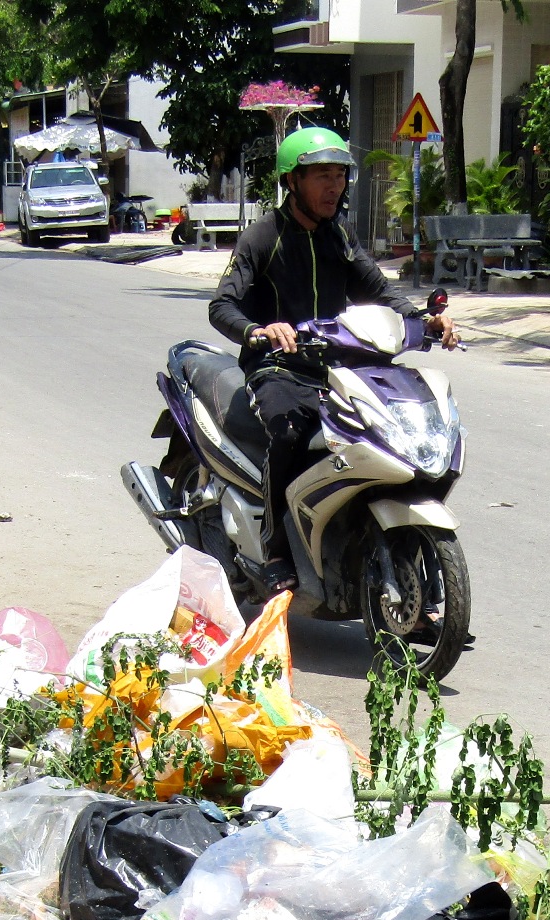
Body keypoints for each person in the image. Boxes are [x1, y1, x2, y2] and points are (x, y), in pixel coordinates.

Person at [209, 125, 457, 592]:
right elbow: (222, 305)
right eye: (321, 175)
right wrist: (259, 331)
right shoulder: (263, 238)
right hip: (279, 367)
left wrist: (424, 320)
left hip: (340, 366)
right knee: (288, 433)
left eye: (339, 175)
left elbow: (381, 292)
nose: (333, 186)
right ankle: (276, 546)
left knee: (390, 436)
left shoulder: (340, 236)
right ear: (292, 181)